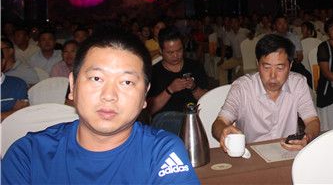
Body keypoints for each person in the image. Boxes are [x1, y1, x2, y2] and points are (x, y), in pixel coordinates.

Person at [1, 28, 200, 185]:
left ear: (144, 96)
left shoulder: (162, 153)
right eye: (96, 78)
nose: (109, 96)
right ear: (73, 86)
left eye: (127, 82)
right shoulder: (29, 155)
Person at [212, 34, 320, 151]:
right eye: (266, 67)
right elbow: (219, 123)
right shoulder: (242, 88)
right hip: (251, 154)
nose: (273, 76)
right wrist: (223, 131)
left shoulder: (298, 84)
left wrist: (307, 137)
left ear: (290, 66)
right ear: (257, 64)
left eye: (280, 68)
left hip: (287, 151)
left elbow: (312, 121)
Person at [147, 26, 208, 134]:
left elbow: (207, 99)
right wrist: (170, 90)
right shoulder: (154, 72)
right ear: (161, 51)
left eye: (179, 50)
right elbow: (150, 109)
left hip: (193, 115)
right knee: (184, 126)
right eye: (170, 52)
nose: (176, 55)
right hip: (165, 118)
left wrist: (194, 88)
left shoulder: (195, 66)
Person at [218, 17, 249, 86]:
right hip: (235, 58)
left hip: (245, 59)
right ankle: (223, 87)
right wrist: (222, 58)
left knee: (240, 72)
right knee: (221, 67)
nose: (234, 24)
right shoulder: (229, 34)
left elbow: (253, 39)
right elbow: (224, 47)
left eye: (235, 22)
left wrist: (251, 36)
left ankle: (237, 80)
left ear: (239, 23)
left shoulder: (245, 31)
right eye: (232, 23)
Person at [1, 48, 29, 120]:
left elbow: (21, 114)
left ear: (3, 62)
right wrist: (11, 112)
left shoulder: (18, 84)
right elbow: (15, 114)